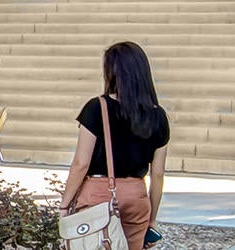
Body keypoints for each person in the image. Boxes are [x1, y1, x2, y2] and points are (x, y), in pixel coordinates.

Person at [62, 41, 170, 250]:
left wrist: (65, 205)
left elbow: (80, 163)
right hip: (137, 194)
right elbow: (158, 174)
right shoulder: (158, 116)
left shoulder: (96, 108)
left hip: (99, 194)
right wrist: (152, 218)